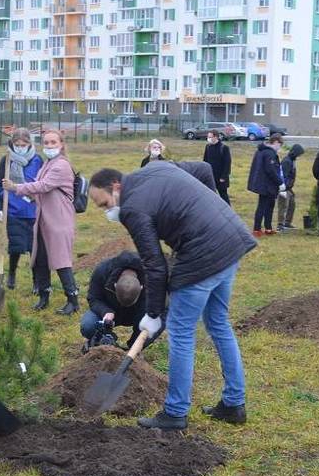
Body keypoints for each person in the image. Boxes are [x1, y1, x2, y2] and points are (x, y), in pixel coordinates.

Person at [88, 161, 257, 430]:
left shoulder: (132, 208)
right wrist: (207, 210)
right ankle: (234, 404)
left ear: (116, 187)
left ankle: (175, 412)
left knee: (180, 331)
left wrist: (153, 314)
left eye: (105, 203)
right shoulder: (157, 168)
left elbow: (154, 265)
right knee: (219, 324)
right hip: (230, 239)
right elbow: (203, 169)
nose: (107, 211)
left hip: (203, 254)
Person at [2, 128, 79, 314]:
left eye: (54, 142)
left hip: (59, 219)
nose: (50, 146)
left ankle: (72, 300)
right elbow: (38, 189)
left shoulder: (61, 165)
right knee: (41, 259)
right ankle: (44, 296)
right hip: (44, 218)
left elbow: (43, 186)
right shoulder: (47, 163)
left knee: (61, 260)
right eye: (46, 143)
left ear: (61, 145)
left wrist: (15, 187)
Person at [0, 127, 43, 291]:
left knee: (33, 247)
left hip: (32, 210)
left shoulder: (37, 160)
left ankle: (37, 281)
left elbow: (43, 184)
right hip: (13, 210)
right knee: (16, 245)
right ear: (12, 143)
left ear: (29, 144)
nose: (20, 146)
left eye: (24, 144)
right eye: (17, 144)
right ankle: (12, 273)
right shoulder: (6, 160)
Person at [81, 251, 145, 351]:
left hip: (136, 316)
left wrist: (133, 348)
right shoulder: (103, 270)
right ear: (115, 285)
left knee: (148, 325)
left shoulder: (151, 279)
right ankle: (106, 341)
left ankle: (134, 346)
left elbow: (159, 316)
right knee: (88, 325)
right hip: (109, 313)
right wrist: (105, 311)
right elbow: (93, 298)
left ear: (141, 288)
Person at [247, 133, 285, 237]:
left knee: (270, 206)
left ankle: (268, 228)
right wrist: (280, 182)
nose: (279, 148)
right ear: (276, 142)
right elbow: (271, 170)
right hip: (266, 184)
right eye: (280, 145)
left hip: (265, 184)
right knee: (263, 206)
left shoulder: (261, 151)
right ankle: (257, 229)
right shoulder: (269, 153)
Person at [277, 144, 305, 231]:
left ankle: (287, 223)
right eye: (299, 154)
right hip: (284, 188)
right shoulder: (287, 161)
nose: (299, 156)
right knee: (283, 205)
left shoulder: (292, 160)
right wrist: (283, 188)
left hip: (288, 187)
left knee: (292, 204)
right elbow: (283, 176)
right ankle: (280, 225)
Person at [202, 131, 232, 204]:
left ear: (215, 137)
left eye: (210, 137)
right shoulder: (208, 147)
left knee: (223, 195)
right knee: (210, 196)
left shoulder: (224, 148)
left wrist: (223, 177)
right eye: (208, 137)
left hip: (221, 178)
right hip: (210, 176)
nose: (208, 139)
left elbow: (227, 163)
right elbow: (205, 161)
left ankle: (228, 211)